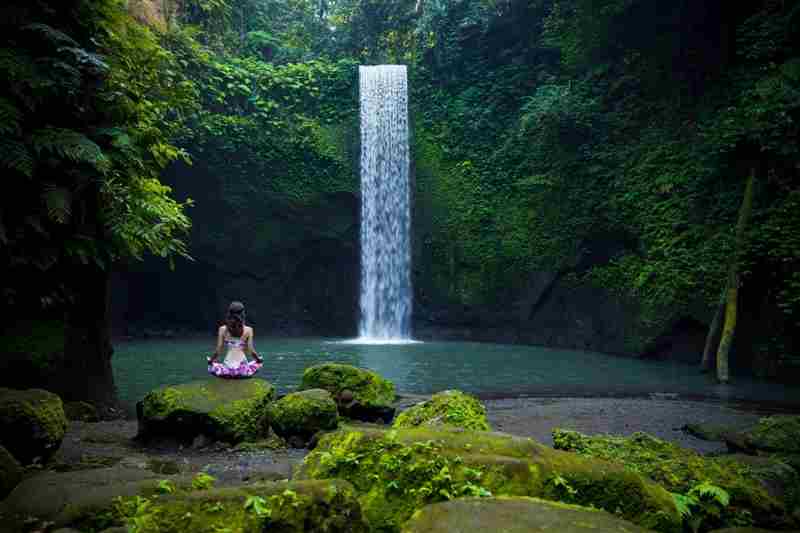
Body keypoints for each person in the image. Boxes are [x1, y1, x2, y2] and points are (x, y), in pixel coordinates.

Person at [207, 301, 263, 378]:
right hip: (242, 370)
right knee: (258, 362)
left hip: (227, 370)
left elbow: (218, 351)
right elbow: (251, 351)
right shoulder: (249, 330)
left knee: (214, 365)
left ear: (229, 314)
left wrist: (210, 361)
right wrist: (258, 360)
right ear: (243, 314)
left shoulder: (222, 329)